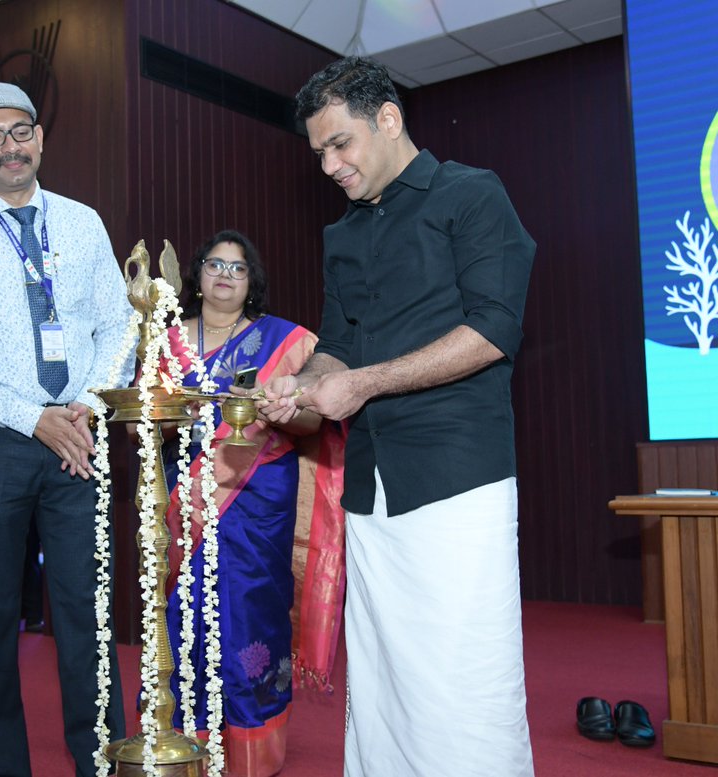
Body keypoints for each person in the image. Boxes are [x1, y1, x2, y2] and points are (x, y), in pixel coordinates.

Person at [261, 57, 536, 776]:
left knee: (462, 675)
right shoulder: (343, 235)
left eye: (340, 143)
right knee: (381, 680)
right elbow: (339, 353)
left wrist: (363, 384)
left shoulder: (472, 196)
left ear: (388, 119)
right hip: (371, 487)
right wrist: (300, 384)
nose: (328, 164)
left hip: (457, 475)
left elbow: (492, 330)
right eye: (318, 151)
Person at [0, 82, 132, 777]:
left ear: (40, 137)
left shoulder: (82, 221)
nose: (10, 146)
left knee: (86, 622)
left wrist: (87, 406)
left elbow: (117, 321)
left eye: (21, 130)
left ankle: (103, 763)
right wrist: (29, 416)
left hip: (76, 437)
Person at [158, 230, 346, 777]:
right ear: (197, 275)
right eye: (215, 265)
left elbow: (318, 418)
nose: (225, 275)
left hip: (259, 497)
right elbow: (141, 428)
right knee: (185, 610)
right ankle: (186, 744)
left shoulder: (286, 343)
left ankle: (248, 752)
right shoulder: (168, 343)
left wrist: (281, 410)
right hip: (186, 497)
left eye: (238, 269)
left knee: (249, 612)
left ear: (252, 282)